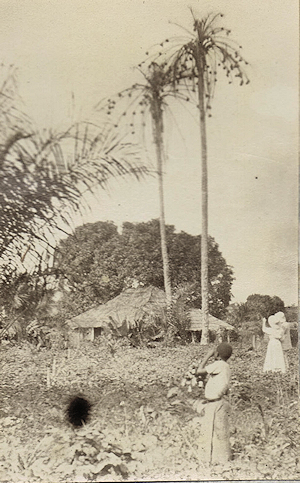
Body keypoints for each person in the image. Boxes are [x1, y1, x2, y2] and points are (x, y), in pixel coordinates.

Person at [195, 342, 233, 465]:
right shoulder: (225, 366)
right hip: (219, 402)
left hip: (215, 404)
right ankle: (220, 459)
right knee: (219, 432)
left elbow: (199, 371)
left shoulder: (219, 364)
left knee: (210, 431)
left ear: (217, 354)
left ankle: (210, 460)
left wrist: (207, 356)